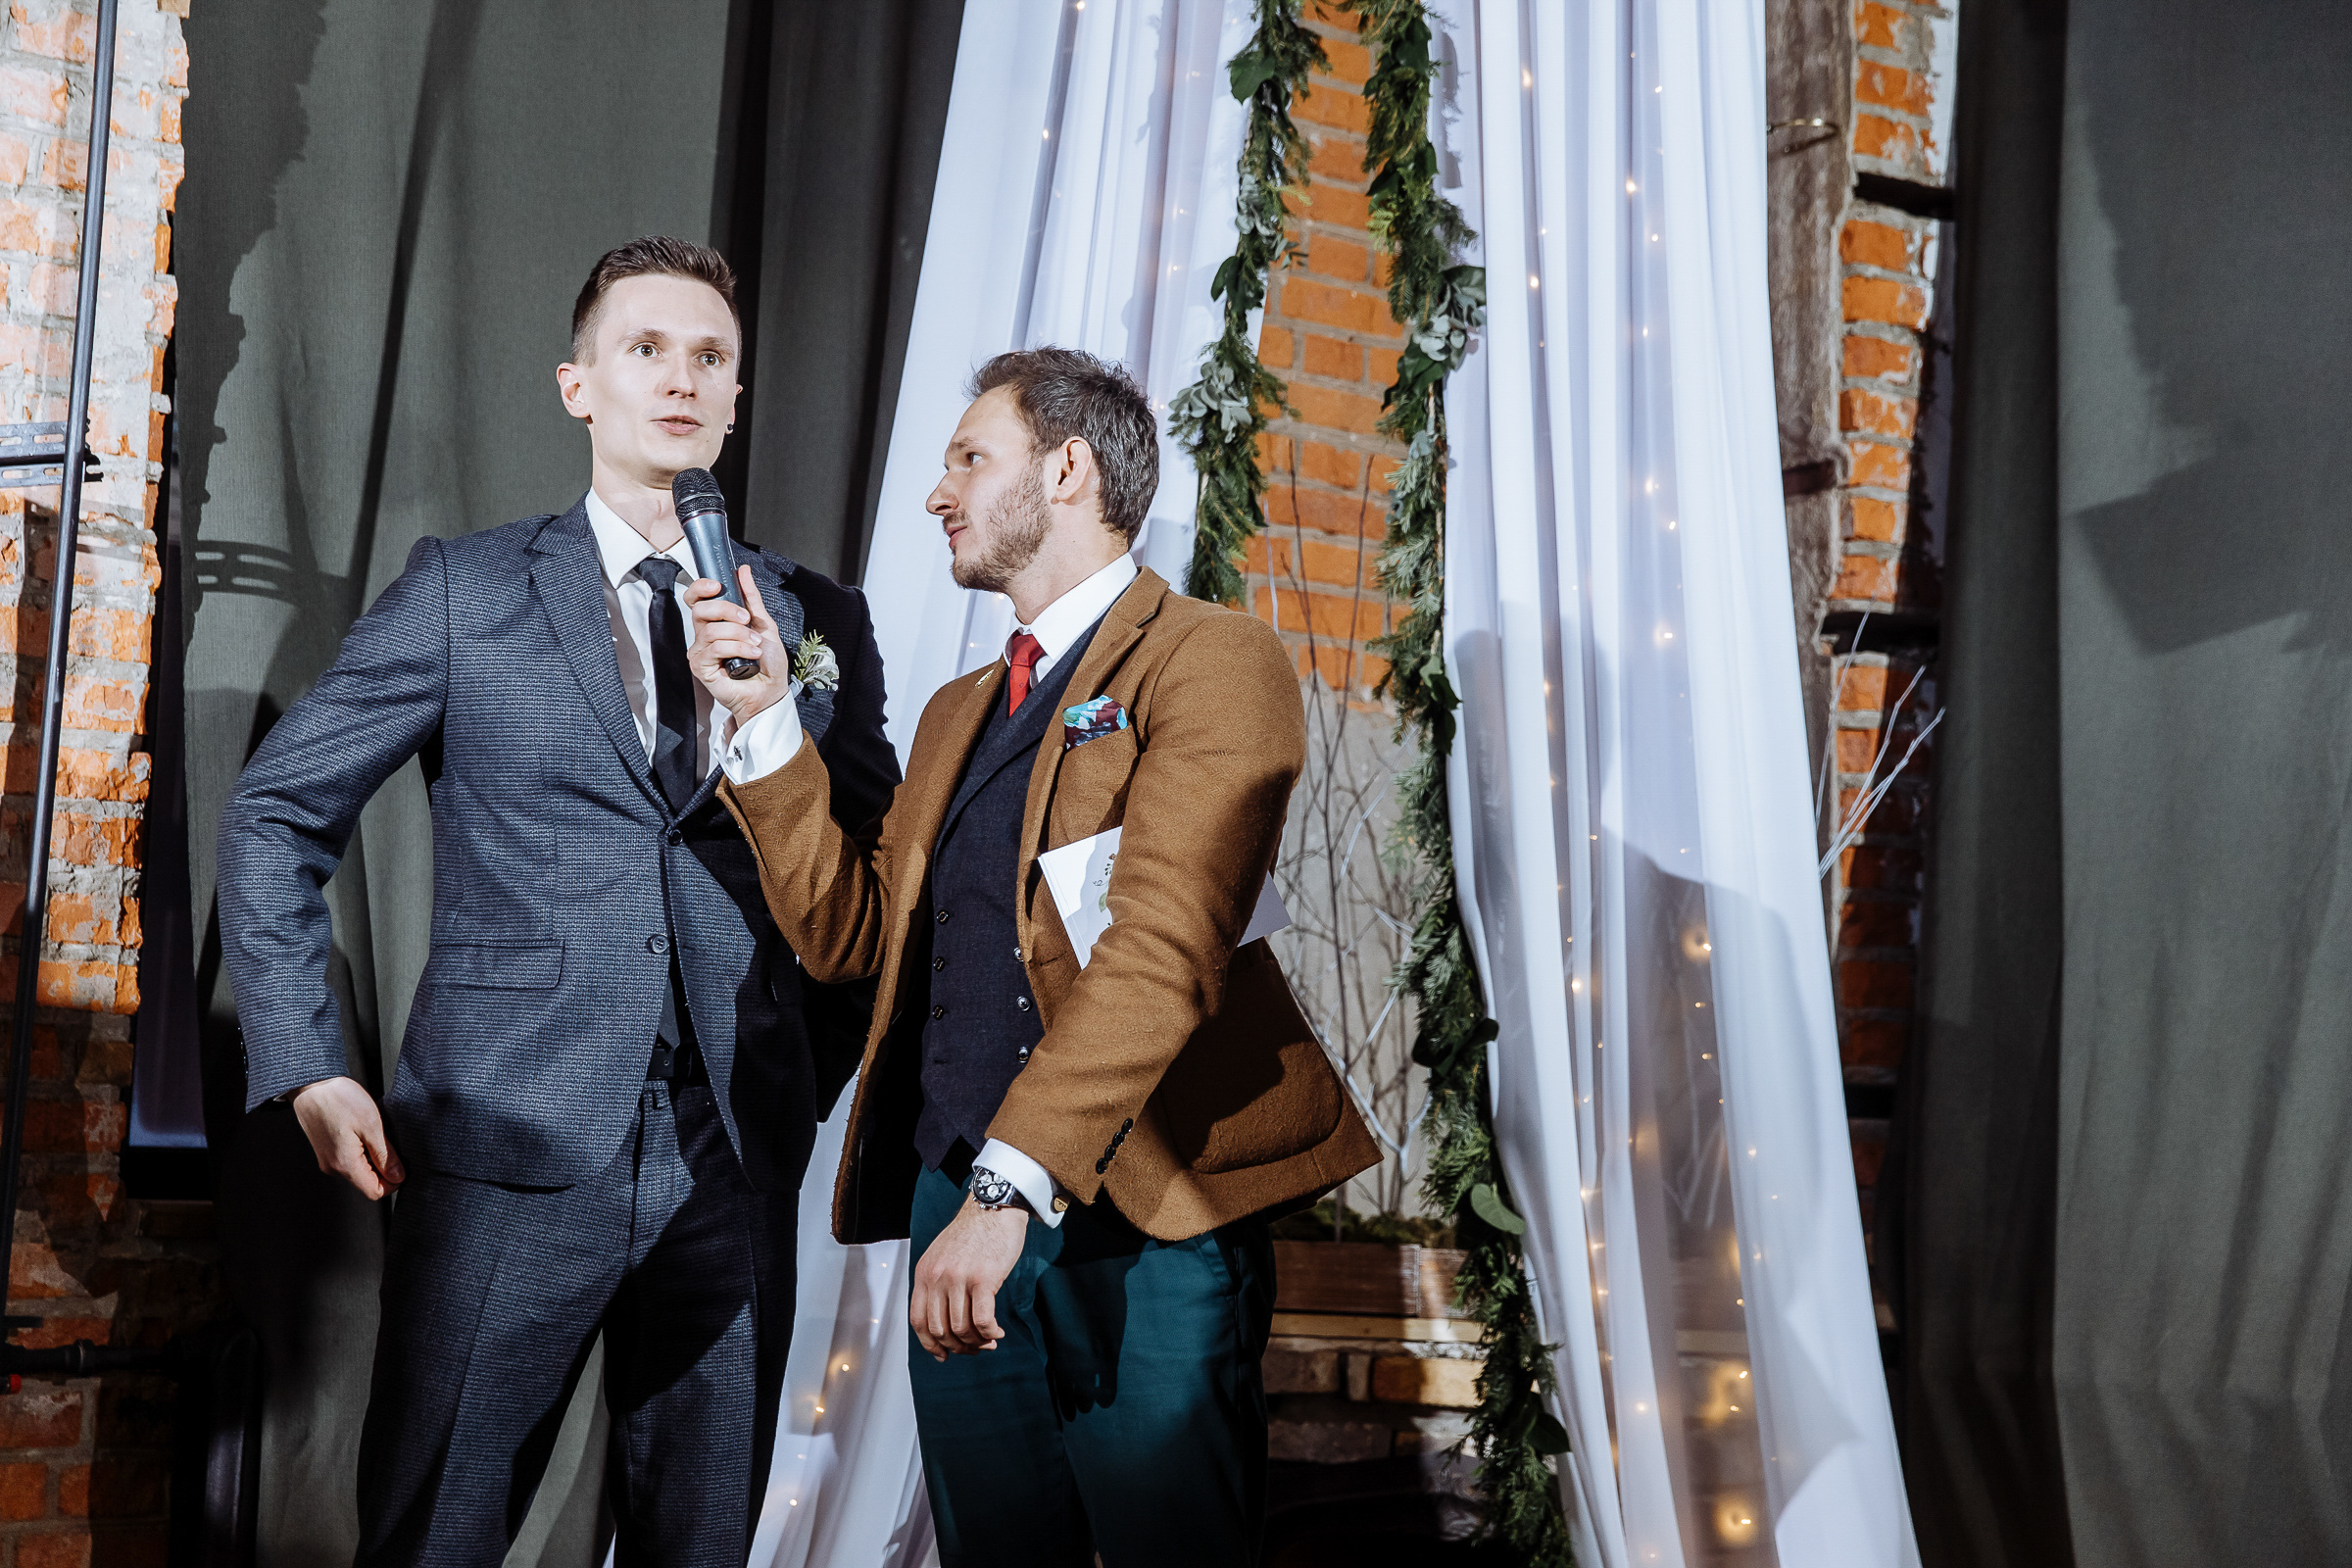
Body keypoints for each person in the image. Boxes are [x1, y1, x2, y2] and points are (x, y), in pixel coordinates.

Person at [216, 235, 898, 1565]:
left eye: (711, 357)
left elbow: (869, 879)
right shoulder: (467, 593)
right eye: (646, 349)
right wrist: (307, 1066)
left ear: (739, 399)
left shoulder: (816, 617)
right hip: (503, 1149)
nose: (681, 377)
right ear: (579, 385)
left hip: (733, 1153)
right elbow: (276, 809)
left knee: (700, 1540)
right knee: (439, 1532)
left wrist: (796, 1081)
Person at [687, 346, 1381, 1566]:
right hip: (960, 1201)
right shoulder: (962, 710)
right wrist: (763, 723)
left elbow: (1164, 946)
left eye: (968, 457)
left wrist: (1012, 1190)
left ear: (1066, 469)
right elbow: (857, 935)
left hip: (1146, 1214)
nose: (936, 492)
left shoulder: (1213, 659)